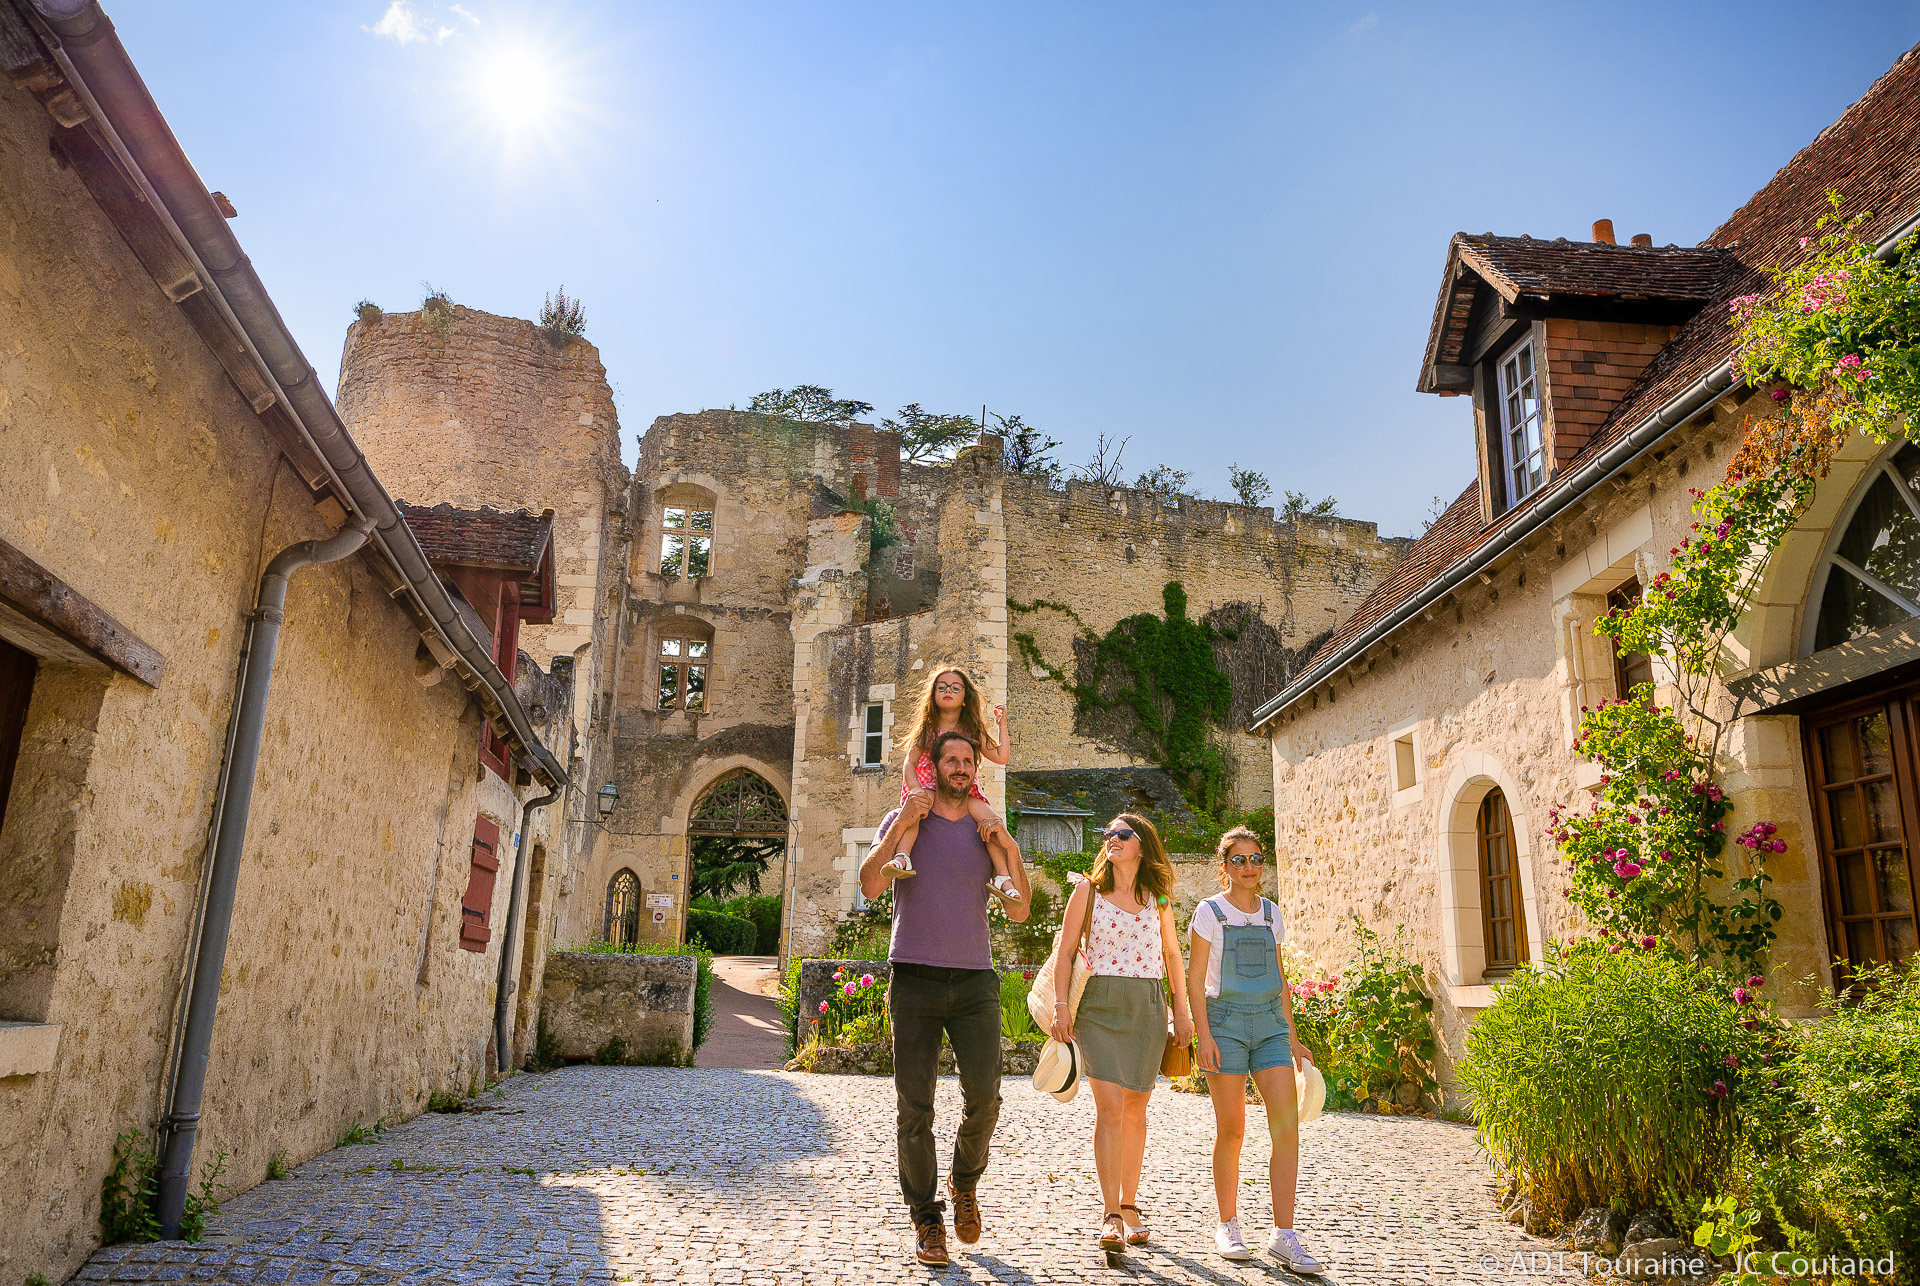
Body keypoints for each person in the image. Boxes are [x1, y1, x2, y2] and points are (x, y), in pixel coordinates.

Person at [860, 730, 1032, 1266]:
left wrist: (1010, 848)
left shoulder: (985, 829)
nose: (959, 767)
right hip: (913, 977)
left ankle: (963, 1183)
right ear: (933, 767)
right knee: (915, 1108)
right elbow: (869, 884)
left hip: (976, 980)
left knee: (986, 1097)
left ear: (975, 768)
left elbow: (1020, 909)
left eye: (967, 760)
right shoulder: (906, 819)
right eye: (950, 760)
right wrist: (901, 827)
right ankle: (927, 1220)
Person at [1047, 813, 1193, 1253]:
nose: (1111, 839)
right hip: (1098, 1009)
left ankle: (1130, 1205)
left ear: (1142, 846)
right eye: (1107, 834)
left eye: (1121, 834)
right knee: (1110, 1108)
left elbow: (1172, 956)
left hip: (1148, 1008)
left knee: (1135, 1112)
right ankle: (1110, 1212)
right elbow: (1067, 952)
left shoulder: (1160, 900)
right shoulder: (1086, 891)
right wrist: (1059, 1006)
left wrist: (1181, 1015)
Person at [1186, 827, 1323, 1273]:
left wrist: (1293, 1037)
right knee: (1233, 1130)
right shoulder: (1209, 913)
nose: (1249, 867)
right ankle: (1228, 1225)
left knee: (1286, 1128)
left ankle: (1284, 1235)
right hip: (1224, 1026)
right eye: (1239, 859)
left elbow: (1281, 980)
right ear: (1222, 865)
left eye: (1257, 859)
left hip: (1269, 1027)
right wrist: (1203, 1036)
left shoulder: (1270, 914)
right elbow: (1194, 980)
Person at [879, 667, 1023, 905]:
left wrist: (1002, 725)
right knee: (915, 813)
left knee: (992, 824)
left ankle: (1002, 876)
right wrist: (914, 788)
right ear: (933, 695)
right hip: (927, 782)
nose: (948, 691)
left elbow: (1001, 756)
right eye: (942, 687)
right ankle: (902, 857)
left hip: (962, 787)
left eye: (956, 688)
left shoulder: (972, 729)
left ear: (965, 698)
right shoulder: (928, 726)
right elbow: (910, 762)